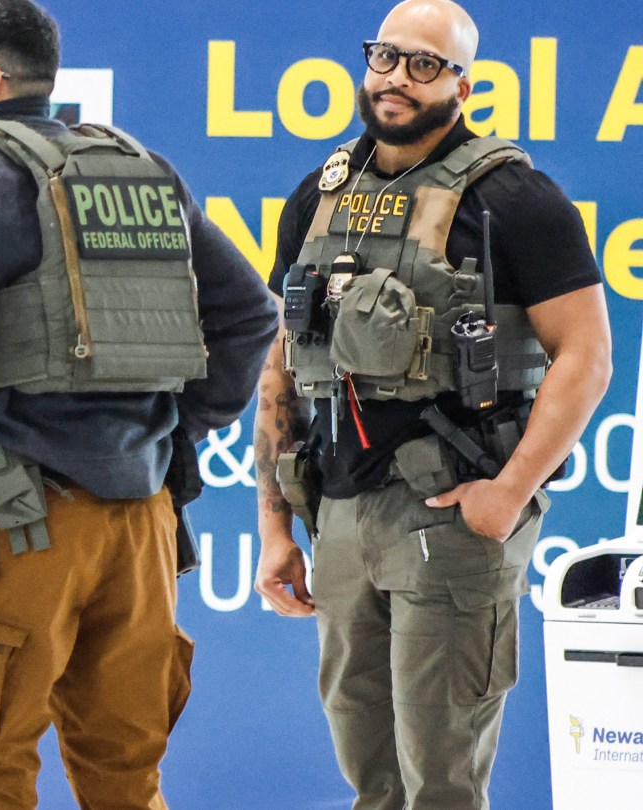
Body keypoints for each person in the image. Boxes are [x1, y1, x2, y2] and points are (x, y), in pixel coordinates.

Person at [0, 1, 277, 806]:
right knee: (126, 779)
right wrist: (174, 430)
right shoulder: (139, 167)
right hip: (144, 532)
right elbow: (249, 314)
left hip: (18, 520)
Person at [252, 1, 611, 807]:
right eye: (386, 57)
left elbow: (587, 357)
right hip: (340, 517)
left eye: (424, 64)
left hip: (450, 522)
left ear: (461, 82)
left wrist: (508, 494)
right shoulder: (320, 194)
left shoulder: (514, 199)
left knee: (442, 782)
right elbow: (282, 369)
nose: (396, 79)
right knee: (369, 775)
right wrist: (275, 524)